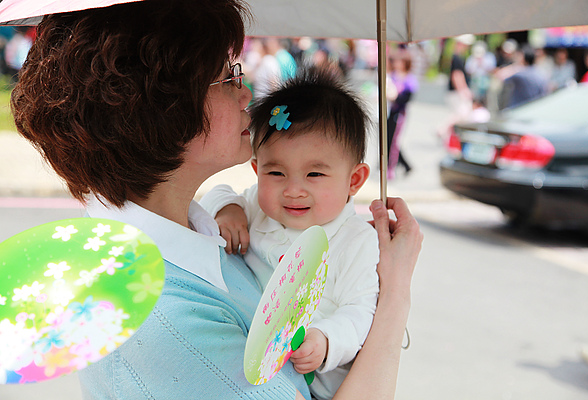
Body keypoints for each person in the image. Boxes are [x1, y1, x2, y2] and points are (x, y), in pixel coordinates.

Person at [10, 0, 423, 399]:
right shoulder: (169, 323)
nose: (246, 94)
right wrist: (396, 290)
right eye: (227, 77)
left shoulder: (194, 232)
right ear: (165, 107)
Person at [200, 65, 377, 400]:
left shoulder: (355, 240)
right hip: (256, 369)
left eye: (314, 175)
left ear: (354, 180)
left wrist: (325, 340)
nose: (293, 190)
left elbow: (361, 311)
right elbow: (215, 193)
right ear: (256, 170)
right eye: (277, 172)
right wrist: (228, 209)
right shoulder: (255, 206)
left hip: (322, 385)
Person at [386, 49, 418, 179]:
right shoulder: (392, 76)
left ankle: (392, 167)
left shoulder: (410, 80)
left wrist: (395, 96)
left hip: (399, 113)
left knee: (394, 141)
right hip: (390, 111)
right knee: (388, 139)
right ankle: (405, 165)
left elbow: (406, 97)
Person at [499, 45, 548, 109]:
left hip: (518, 108)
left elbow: (500, 75)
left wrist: (517, 65)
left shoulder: (520, 73)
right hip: (535, 108)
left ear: (524, 58)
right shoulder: (541, 73)